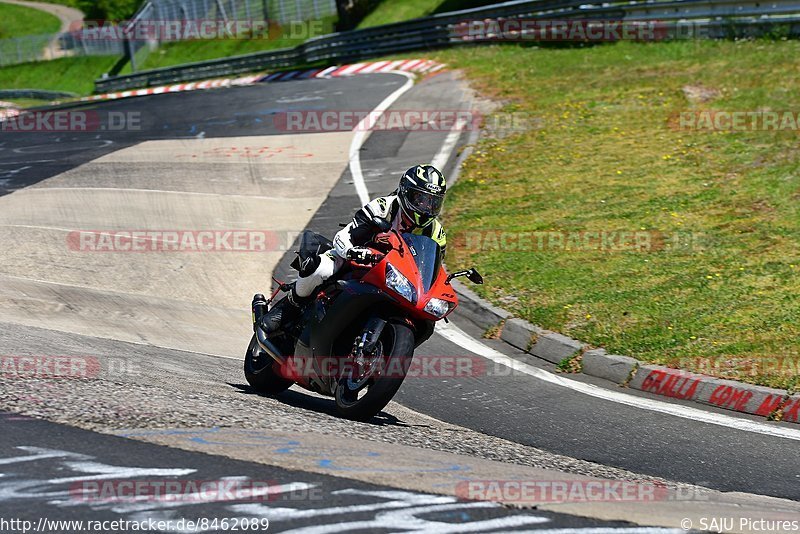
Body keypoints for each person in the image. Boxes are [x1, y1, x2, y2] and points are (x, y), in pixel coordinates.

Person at [259, 164, 448, 335]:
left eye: (433, 202)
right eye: (421, 199)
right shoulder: (383, 207)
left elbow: (432, 268)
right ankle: (288, 307)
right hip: (359, 260)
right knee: (321, 269)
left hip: (396, 276)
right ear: (406, 192)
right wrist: (352, 252)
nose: (426, 208)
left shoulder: (436, 233)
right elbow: (344, 236)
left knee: (427, 317)